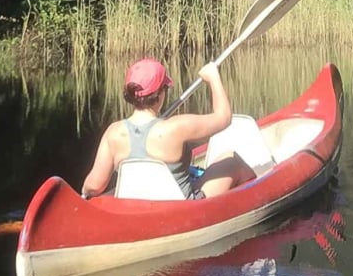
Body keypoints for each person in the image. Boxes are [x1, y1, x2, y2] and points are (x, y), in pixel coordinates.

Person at [81, 57, 256, 200]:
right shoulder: (175, 128)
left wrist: (85, 191)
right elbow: (224, 118)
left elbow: (94, 186)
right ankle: (252, 202)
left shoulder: (114, 133)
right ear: (161, 94)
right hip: (185, 210)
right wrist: (213, 77)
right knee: (232, 160)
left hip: (137, 212)